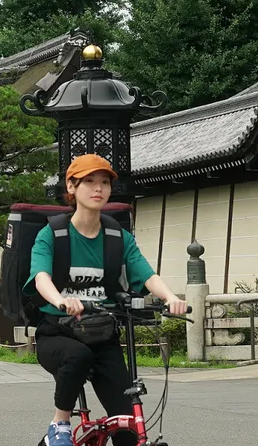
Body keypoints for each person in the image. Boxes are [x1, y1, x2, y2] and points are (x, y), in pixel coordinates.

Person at [25, 154, 186, 446]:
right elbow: (41, 279)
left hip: (102, 334)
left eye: (104, 183)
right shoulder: (53, 234)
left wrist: (171, 297)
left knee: (128, 429)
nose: (98, 188)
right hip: (57, 333)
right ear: (71, 187)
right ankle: (59, 424)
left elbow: (147, 274)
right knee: (77, 356)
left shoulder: (117, 236)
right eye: (89, 181)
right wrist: (61, 301)